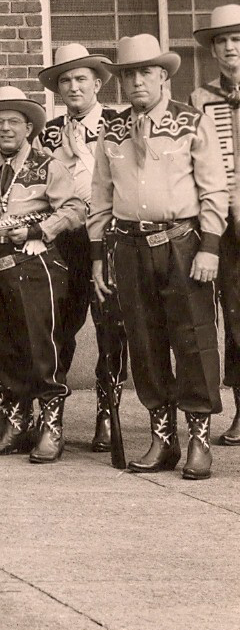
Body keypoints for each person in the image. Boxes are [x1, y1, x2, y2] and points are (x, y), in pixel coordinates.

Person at [89, 34, 226, 480]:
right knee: (145, 342)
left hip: (181, 242)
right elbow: (100, 195)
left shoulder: (191, 122)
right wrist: (97, 255)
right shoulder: (111, 129)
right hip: (129, 245)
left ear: (163, 75)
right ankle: (162, 438)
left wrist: (209, 246)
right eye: (128, 74)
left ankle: (199, 440)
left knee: (193, 339)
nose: (135, 81)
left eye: (145, 71)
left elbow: (213, 189)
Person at [0, 86, 87, 462]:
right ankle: (17, 421)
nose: (5, 128)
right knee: (6, 349)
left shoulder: (48, 167)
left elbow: (76, 209)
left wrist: (37, 231)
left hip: (36, 267)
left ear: (29, 127)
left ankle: (51, 427)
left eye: (14, 121)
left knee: (41, 349)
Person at [37, 44, 126, 450]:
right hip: (65, 241)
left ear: (97, 83)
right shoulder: (49, 131)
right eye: (65, 81)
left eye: (81, 79)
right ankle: (51, 415)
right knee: (59, 327)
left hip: (108, 237)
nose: (73, 87)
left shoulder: (119, 123)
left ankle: (107, 414)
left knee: (110, 328)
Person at [188, 2, 240, 447]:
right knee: (235, 317)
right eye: (222, 41)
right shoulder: (201, 99)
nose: (230, 48)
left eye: (237, 39)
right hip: (226, 226)